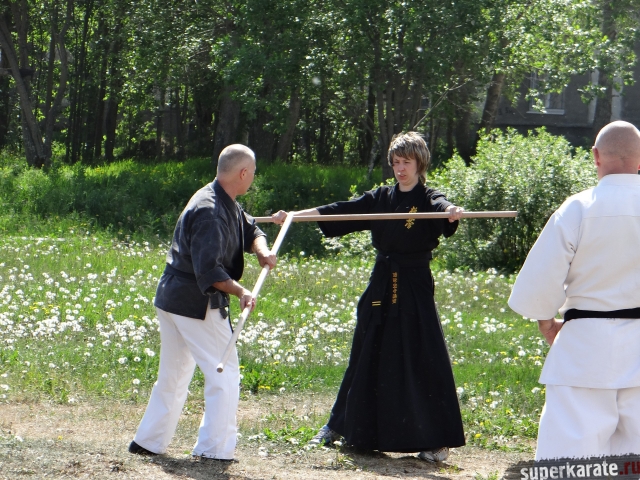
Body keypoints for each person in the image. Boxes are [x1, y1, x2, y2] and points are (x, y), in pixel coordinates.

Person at [273, 132, 465, 462]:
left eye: (407, 162)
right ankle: (341, 426)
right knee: (365, 352)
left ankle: (435, 441)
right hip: (381, 285)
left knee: (421, 355)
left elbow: (442, 207)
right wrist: (293, 216)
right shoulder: (381, 198)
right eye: (396, 162)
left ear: (420, 164)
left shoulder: (428, 198)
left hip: (414, 287)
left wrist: (451, 211)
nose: (400, 169)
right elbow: (340, 210)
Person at [128, 144, 276, 460]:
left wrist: (262, 251)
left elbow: (251, 228)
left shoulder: (221, 198)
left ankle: (148, 441)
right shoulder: (210, 211)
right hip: (194, 303)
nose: (253, 177)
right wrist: (242, 291)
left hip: (172, 299)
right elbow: (209, 271)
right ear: (243, 173)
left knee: (174, 375)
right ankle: (215, 449)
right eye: (253, 173)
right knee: (225, 374)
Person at [508, 120, 640, 460]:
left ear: (595, 156)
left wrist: (545, 321)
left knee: (570, 459)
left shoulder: (578, 208)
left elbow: (542, 277)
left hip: (584, 349)